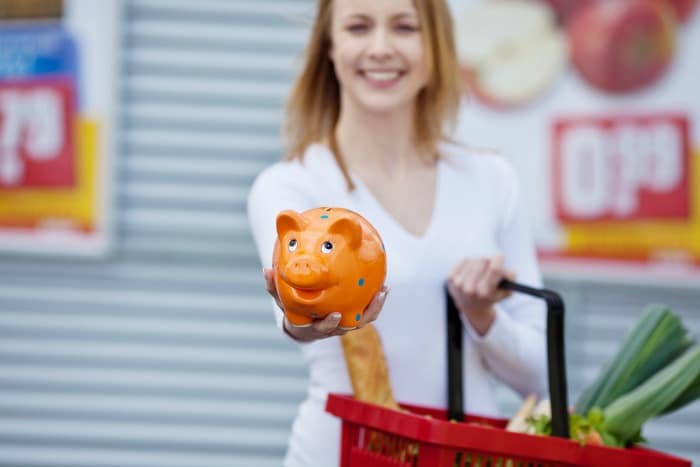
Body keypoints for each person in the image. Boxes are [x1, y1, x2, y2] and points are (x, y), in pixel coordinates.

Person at [246, 0, 548, 465]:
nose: (381, 48)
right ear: (330, 45)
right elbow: (296, 319)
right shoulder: (292, 185)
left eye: (405, 27)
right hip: (340, 452)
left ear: (436, 47)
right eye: (359, 27)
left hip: (464, 456)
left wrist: (483, 316)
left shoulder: (491, 179)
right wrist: (305, 316)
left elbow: (541, 376)